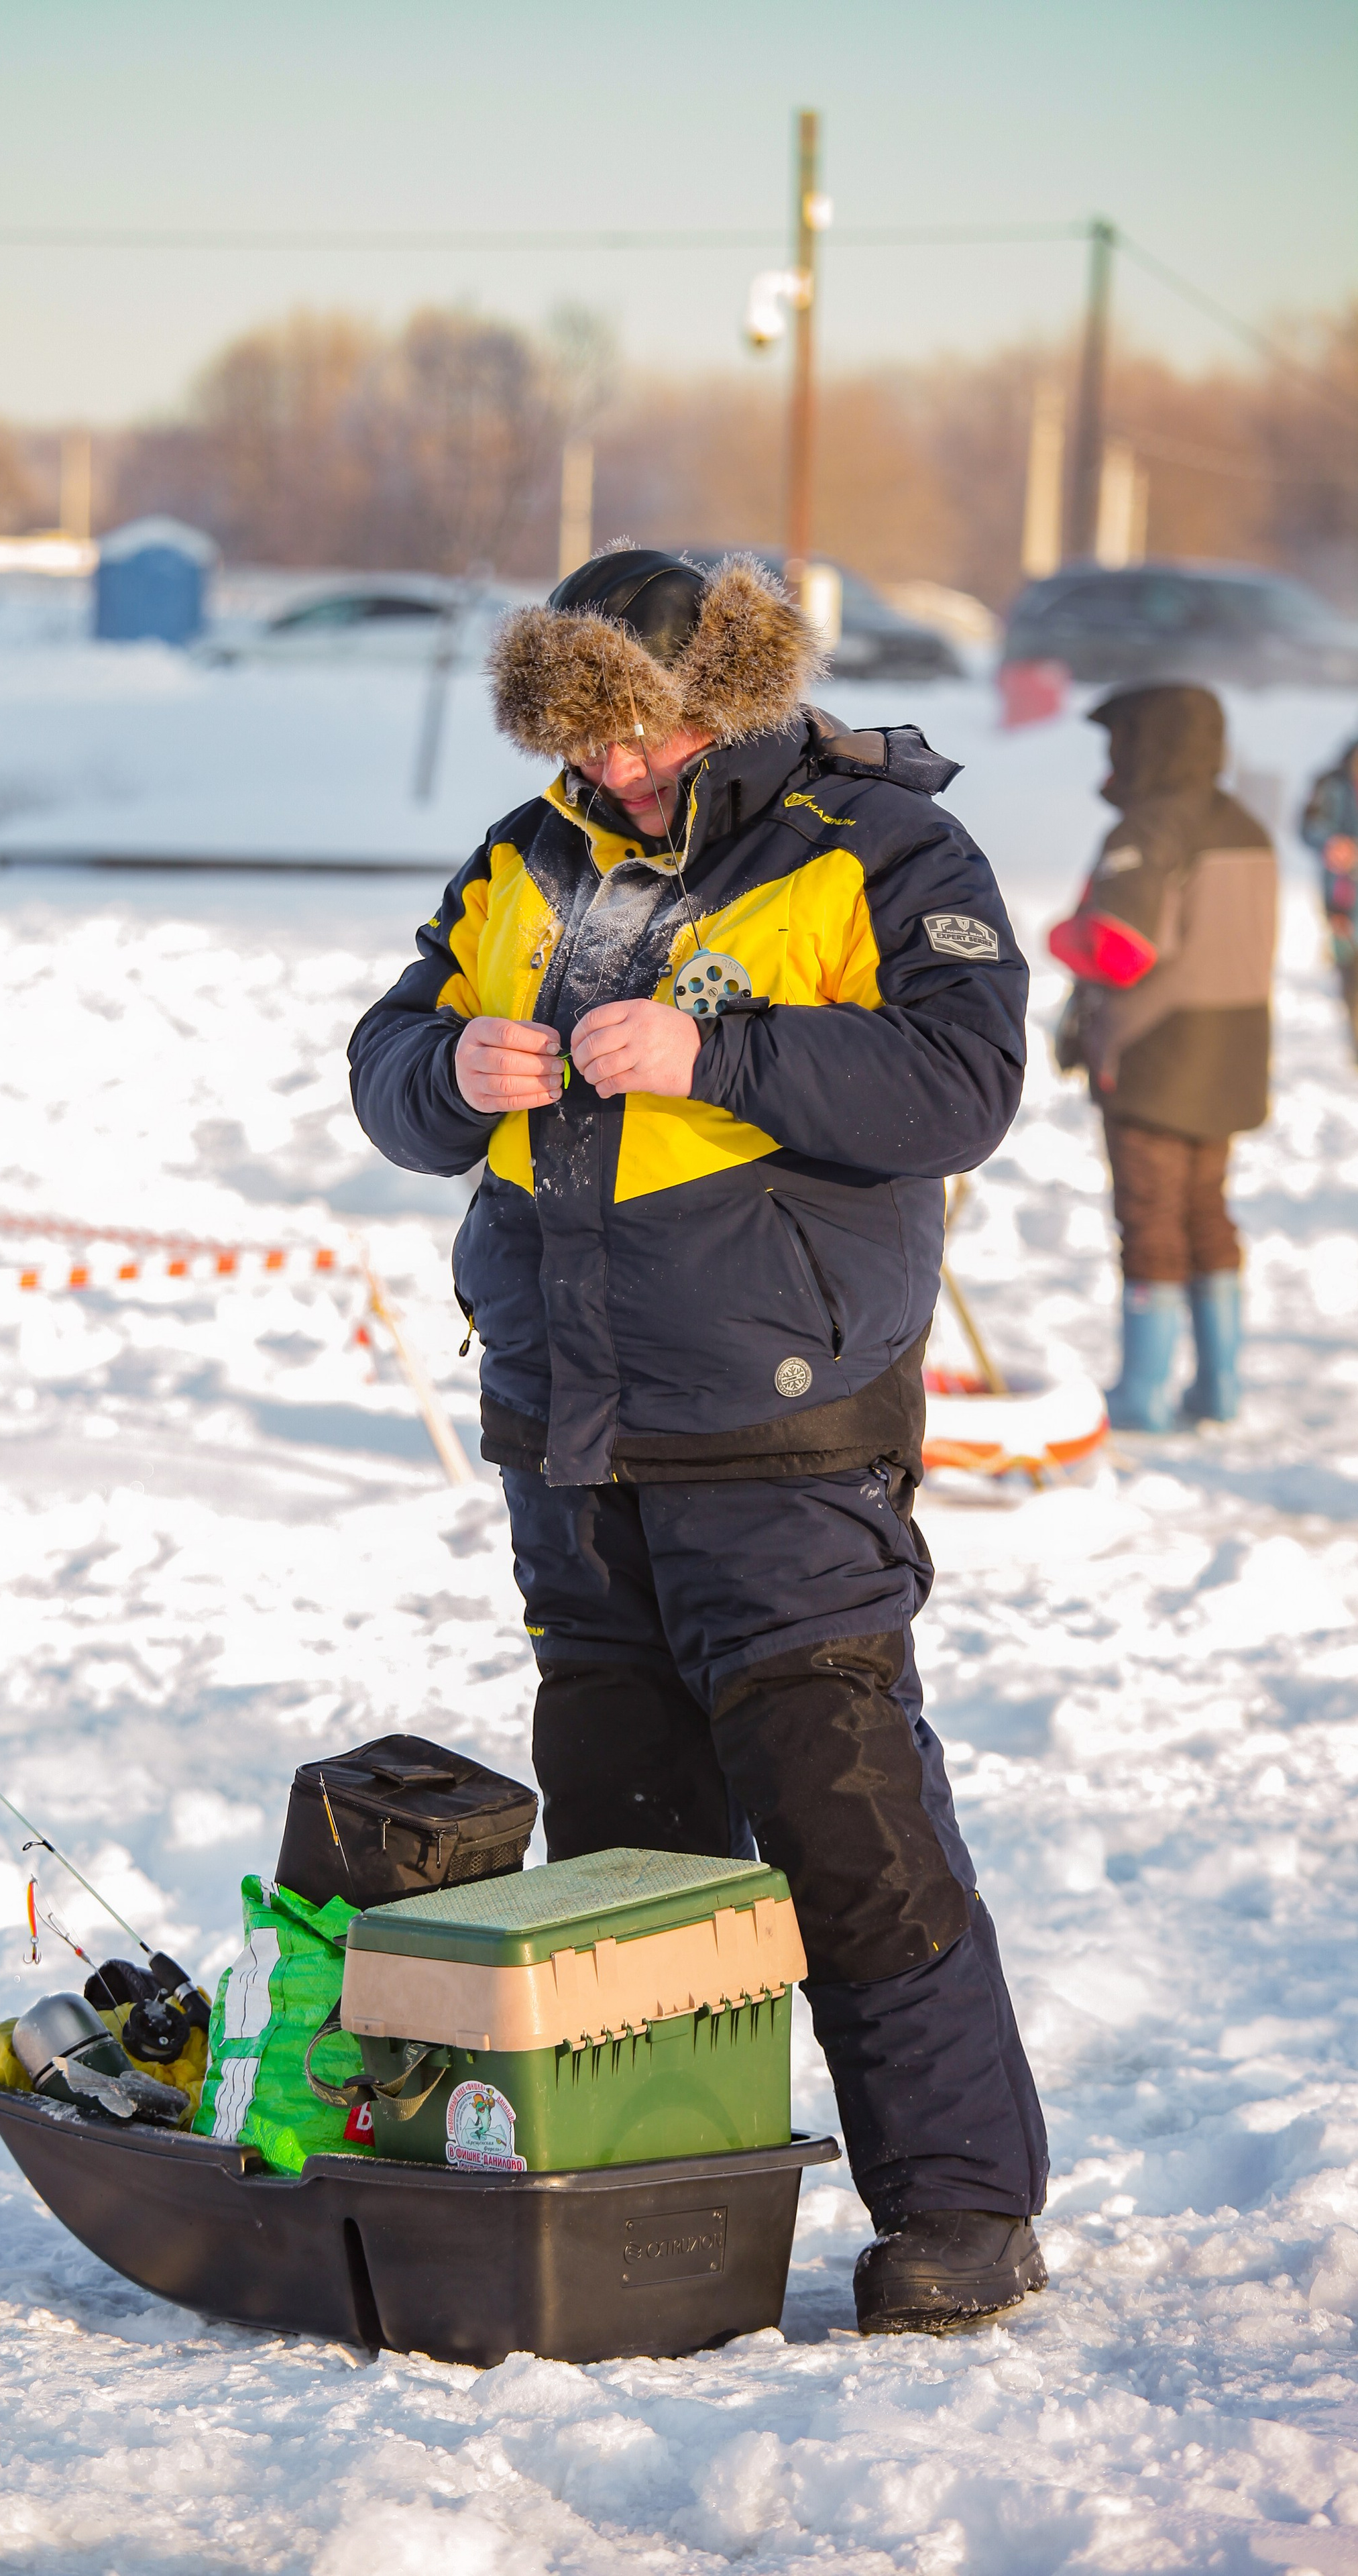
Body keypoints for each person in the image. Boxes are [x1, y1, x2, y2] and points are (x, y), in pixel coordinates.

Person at [348, 546, 1049, 2335]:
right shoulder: (522, 857)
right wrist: (450, 1076)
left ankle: (962, 2209)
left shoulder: (878, 846)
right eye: (585, 744)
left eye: (645, 734)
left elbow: (960, 1086)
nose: (621, 775)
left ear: (722, 702)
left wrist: (722, 1054)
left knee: (852, 1826)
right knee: (623, 1863)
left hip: (786, 1433)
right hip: (567, 1437)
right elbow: (388, 1053)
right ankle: (646, 2211)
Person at [1050, 685, 1276, 1432]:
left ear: (1146, 745)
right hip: (1234, 1049)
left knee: (1148, 1216)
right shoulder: (1244, 823)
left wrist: (1061, 935)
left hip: (1155, 1052)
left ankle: (1142, 1394)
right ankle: (1221, 1389)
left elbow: (1118, 948)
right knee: (1206, 1211)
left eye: (1119, 743)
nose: (1110, 760)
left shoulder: (1151, 826)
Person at [1299, 731, 1358, 1061]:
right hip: (1343, 901)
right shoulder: (1329, 783)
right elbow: (1308, 827)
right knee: (1351, 978)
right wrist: (1330, 843)